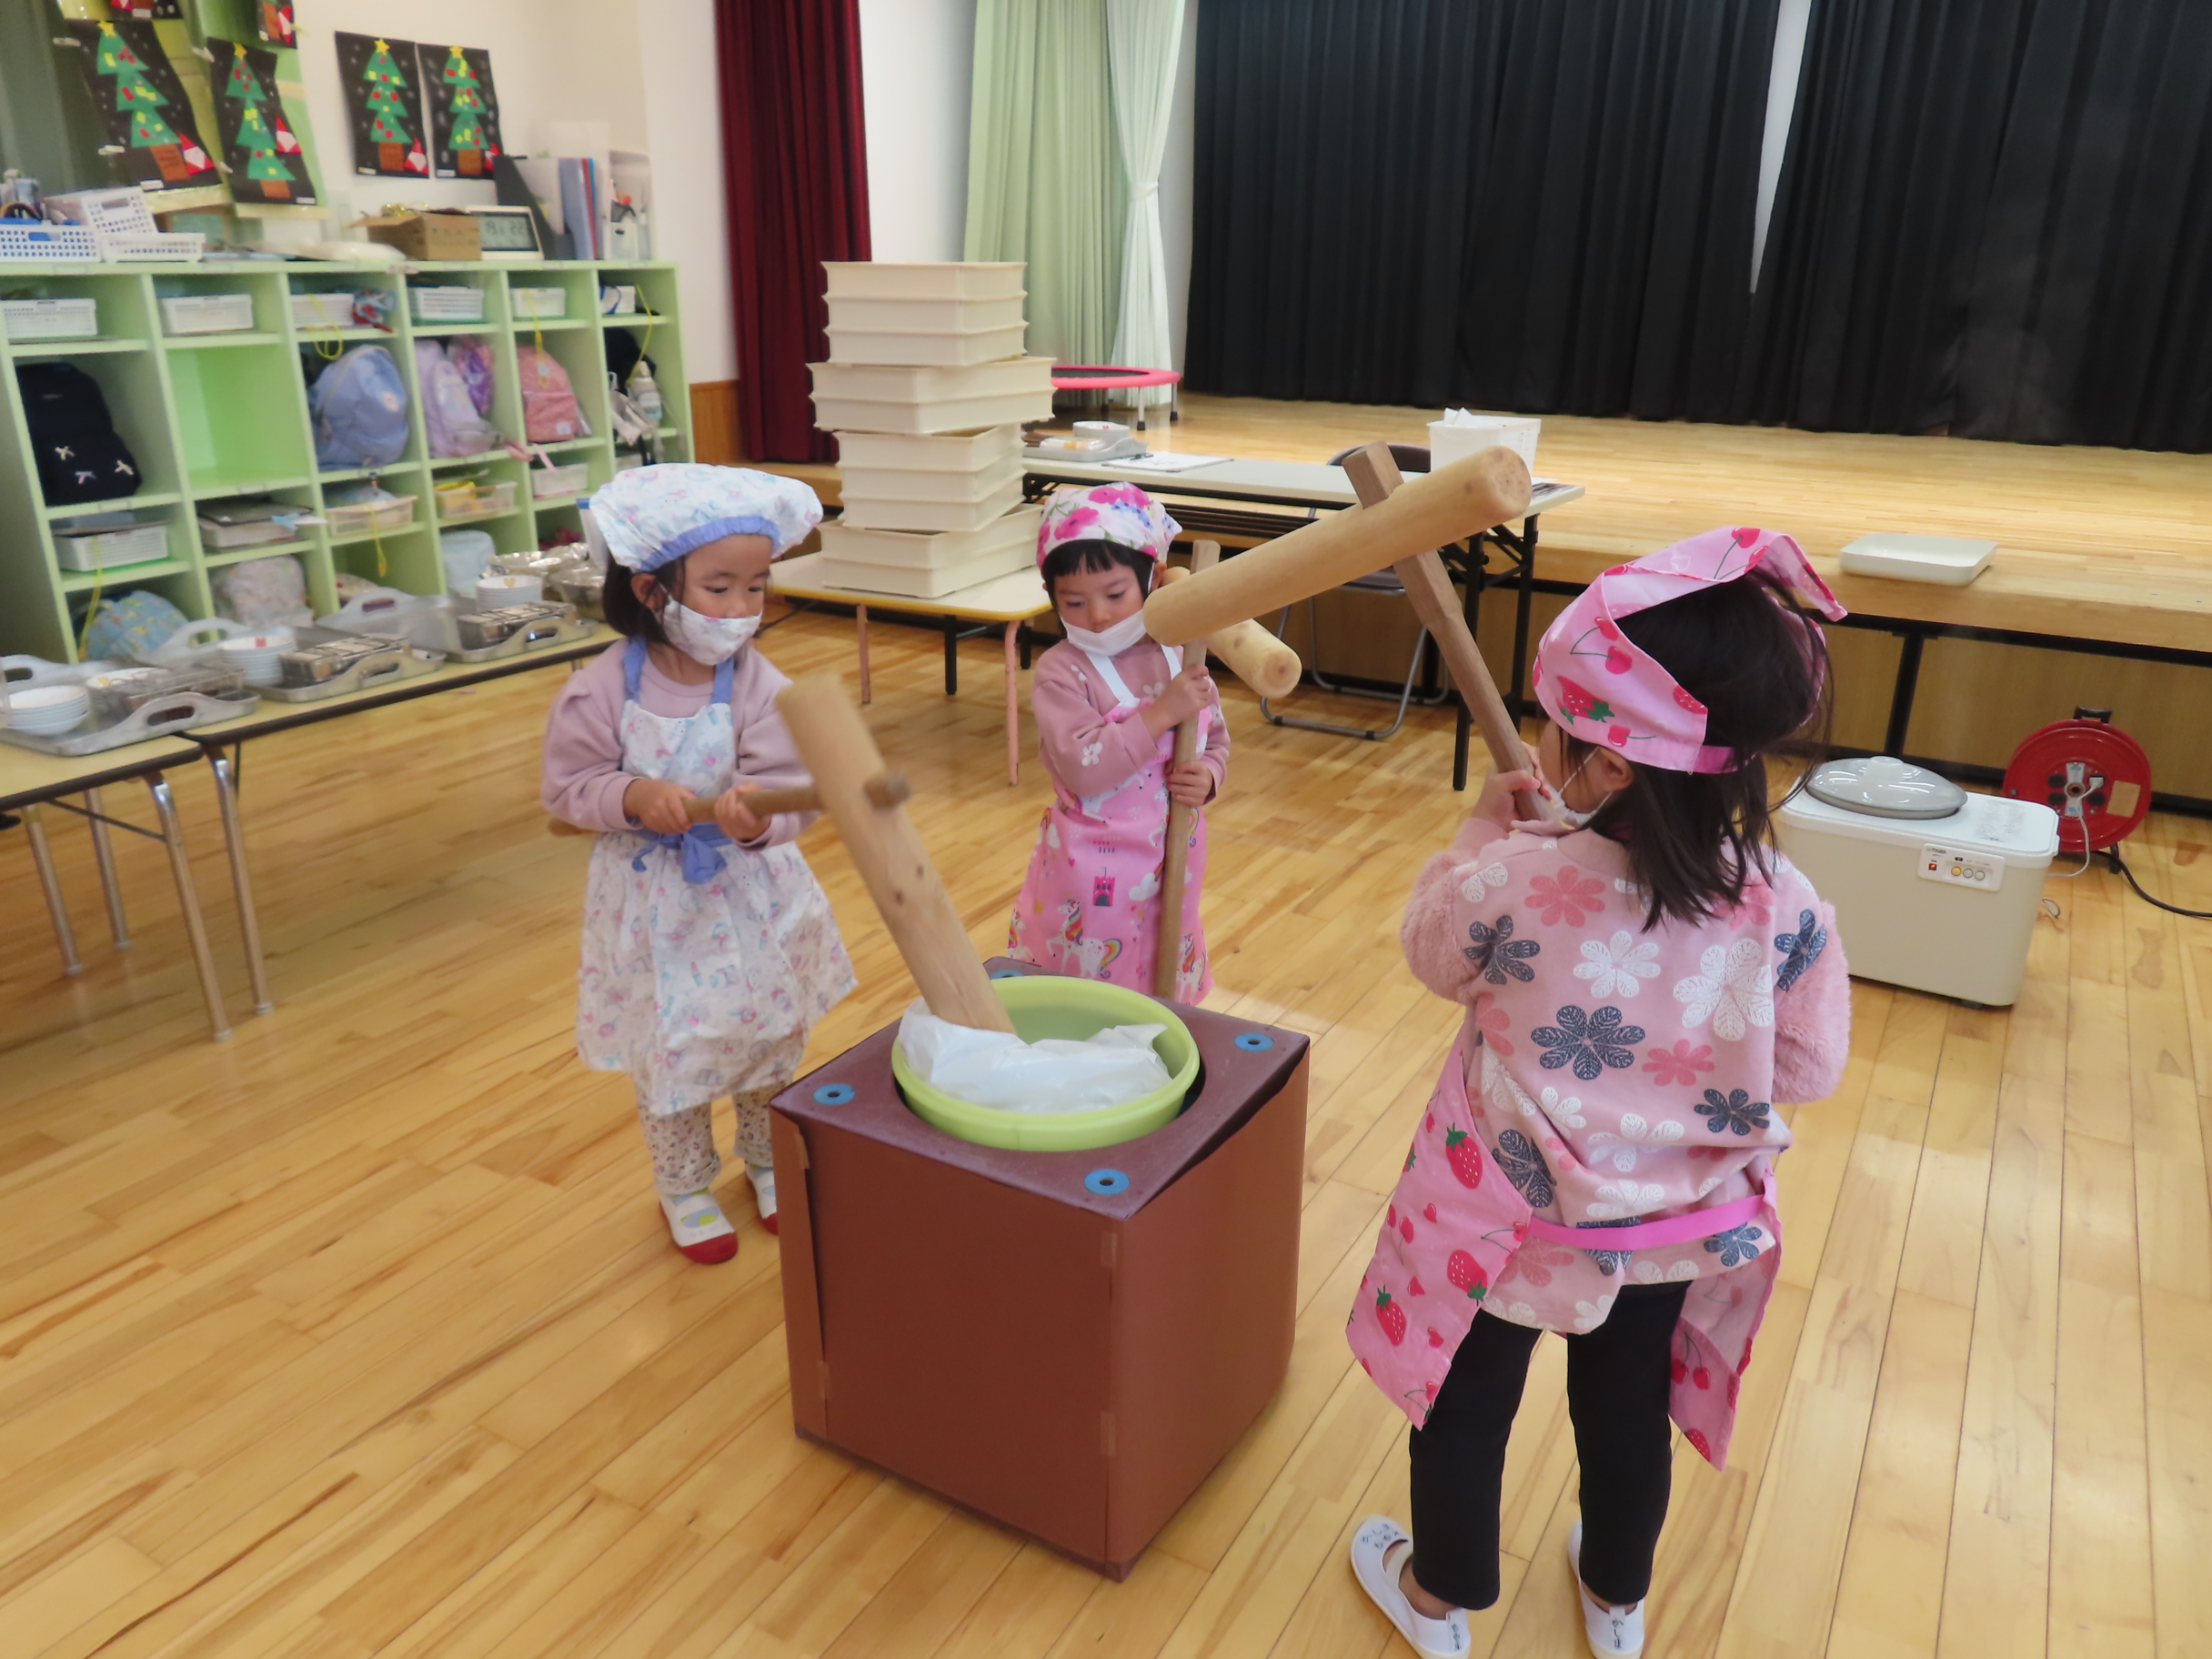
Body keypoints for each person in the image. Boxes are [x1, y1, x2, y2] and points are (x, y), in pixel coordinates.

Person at [1345, 528, 1855, 1658]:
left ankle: (1437, 1601)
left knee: (1467, 1405)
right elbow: (1806, 1071)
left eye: (1558, 727)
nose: (1543, 742)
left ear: (1610, 765)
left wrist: (1483, 834)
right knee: (1626, 1415)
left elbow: (1433, 957)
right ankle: (1616, 1600)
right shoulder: (1784, 900)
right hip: (1670, 1230)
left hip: (1505, 1225)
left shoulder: (1512, 876)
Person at [542, 465, 854, 1264]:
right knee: (671, 1048)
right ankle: (683, 1186)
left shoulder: (759, 683)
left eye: (757, 587)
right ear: (650, 589)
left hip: (751, 896)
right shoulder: (599, 689)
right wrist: (631, 794)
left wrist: (760, 815)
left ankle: (768, 1161)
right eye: (720, 588)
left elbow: (795, 790)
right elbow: (569, 789)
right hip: (654, 908)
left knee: (767, 1034)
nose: (743, 608)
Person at [1005, 484, 1227, 999]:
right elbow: (1085, 769)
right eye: (1074, 602)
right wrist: (1162, 712)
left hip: (1174, 859)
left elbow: (1215, 737)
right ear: (1052, 596)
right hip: (1092, 875)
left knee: (1160, 976)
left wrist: (1209, 775)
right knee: (1089, 992)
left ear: (1152, 580)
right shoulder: (1062, 672)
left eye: (1115, 595)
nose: (1098, 615)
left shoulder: (1178, 654)